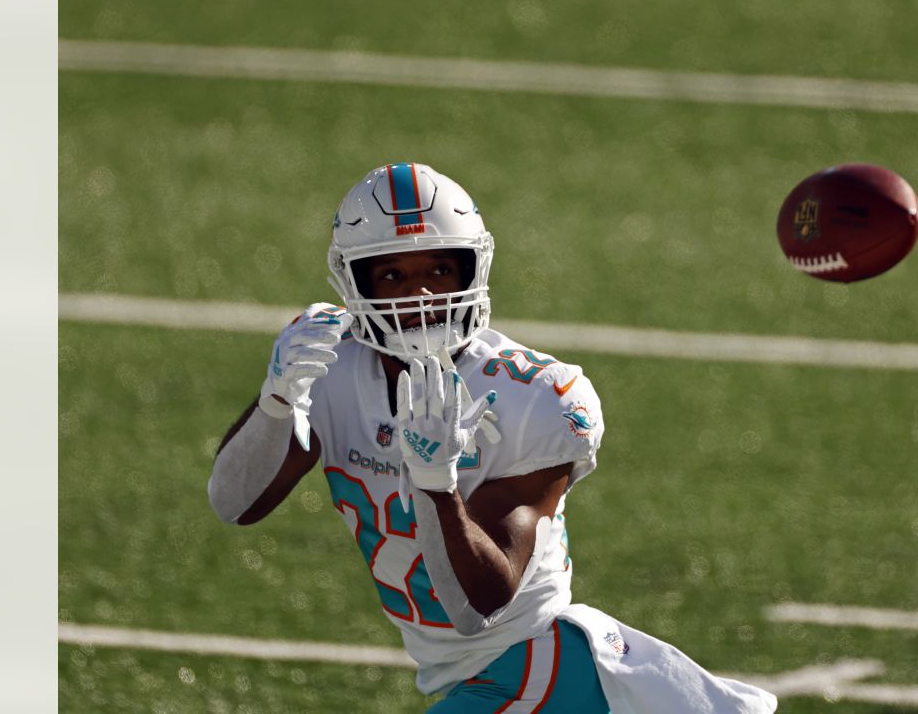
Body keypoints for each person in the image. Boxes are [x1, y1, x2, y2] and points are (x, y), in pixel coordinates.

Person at [208, 163, 778, 713]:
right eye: (392, 275)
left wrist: (436, 485)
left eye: (438, 270)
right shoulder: (329, 362)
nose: (421, 296)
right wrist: (276, 401)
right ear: (355, 283)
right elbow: (234, 504)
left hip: (543, 670)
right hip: (483, 681)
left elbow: (477, 606)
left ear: (470, 271)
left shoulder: (539, 398)